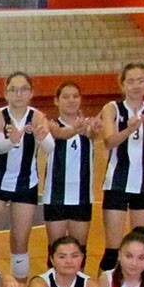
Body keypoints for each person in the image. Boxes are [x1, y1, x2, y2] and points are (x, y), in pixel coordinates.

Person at [0, 72, 46, 287]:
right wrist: (13, 140)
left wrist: (42, 136)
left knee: (20, 242)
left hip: (25, 185)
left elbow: (50, 147)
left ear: (31, 92)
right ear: (6, 93)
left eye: (24, 89)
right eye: (13, 89)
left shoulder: (37, 117)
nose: (18, 94)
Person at [99, 63, 144, 273]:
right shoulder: (112, 108)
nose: (136, 86)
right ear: (123, 84)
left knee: (141, 247)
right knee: (112, 250)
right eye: (131, 81)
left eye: (140, 81)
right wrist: (129, 129)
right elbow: (109, 142)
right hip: (116, 183)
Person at [39, 81, 102, 262]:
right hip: (55, 196)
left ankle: (78, 281)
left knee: (79, 252)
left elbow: (93, 134)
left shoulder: (88, 125)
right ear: (56, 101)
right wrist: (75, 129)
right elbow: (59, 133)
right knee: (55, 251)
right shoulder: (50, 125)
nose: (71, 100)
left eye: (75, 96)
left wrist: (94, 130)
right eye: (65, 97)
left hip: (82, 197)